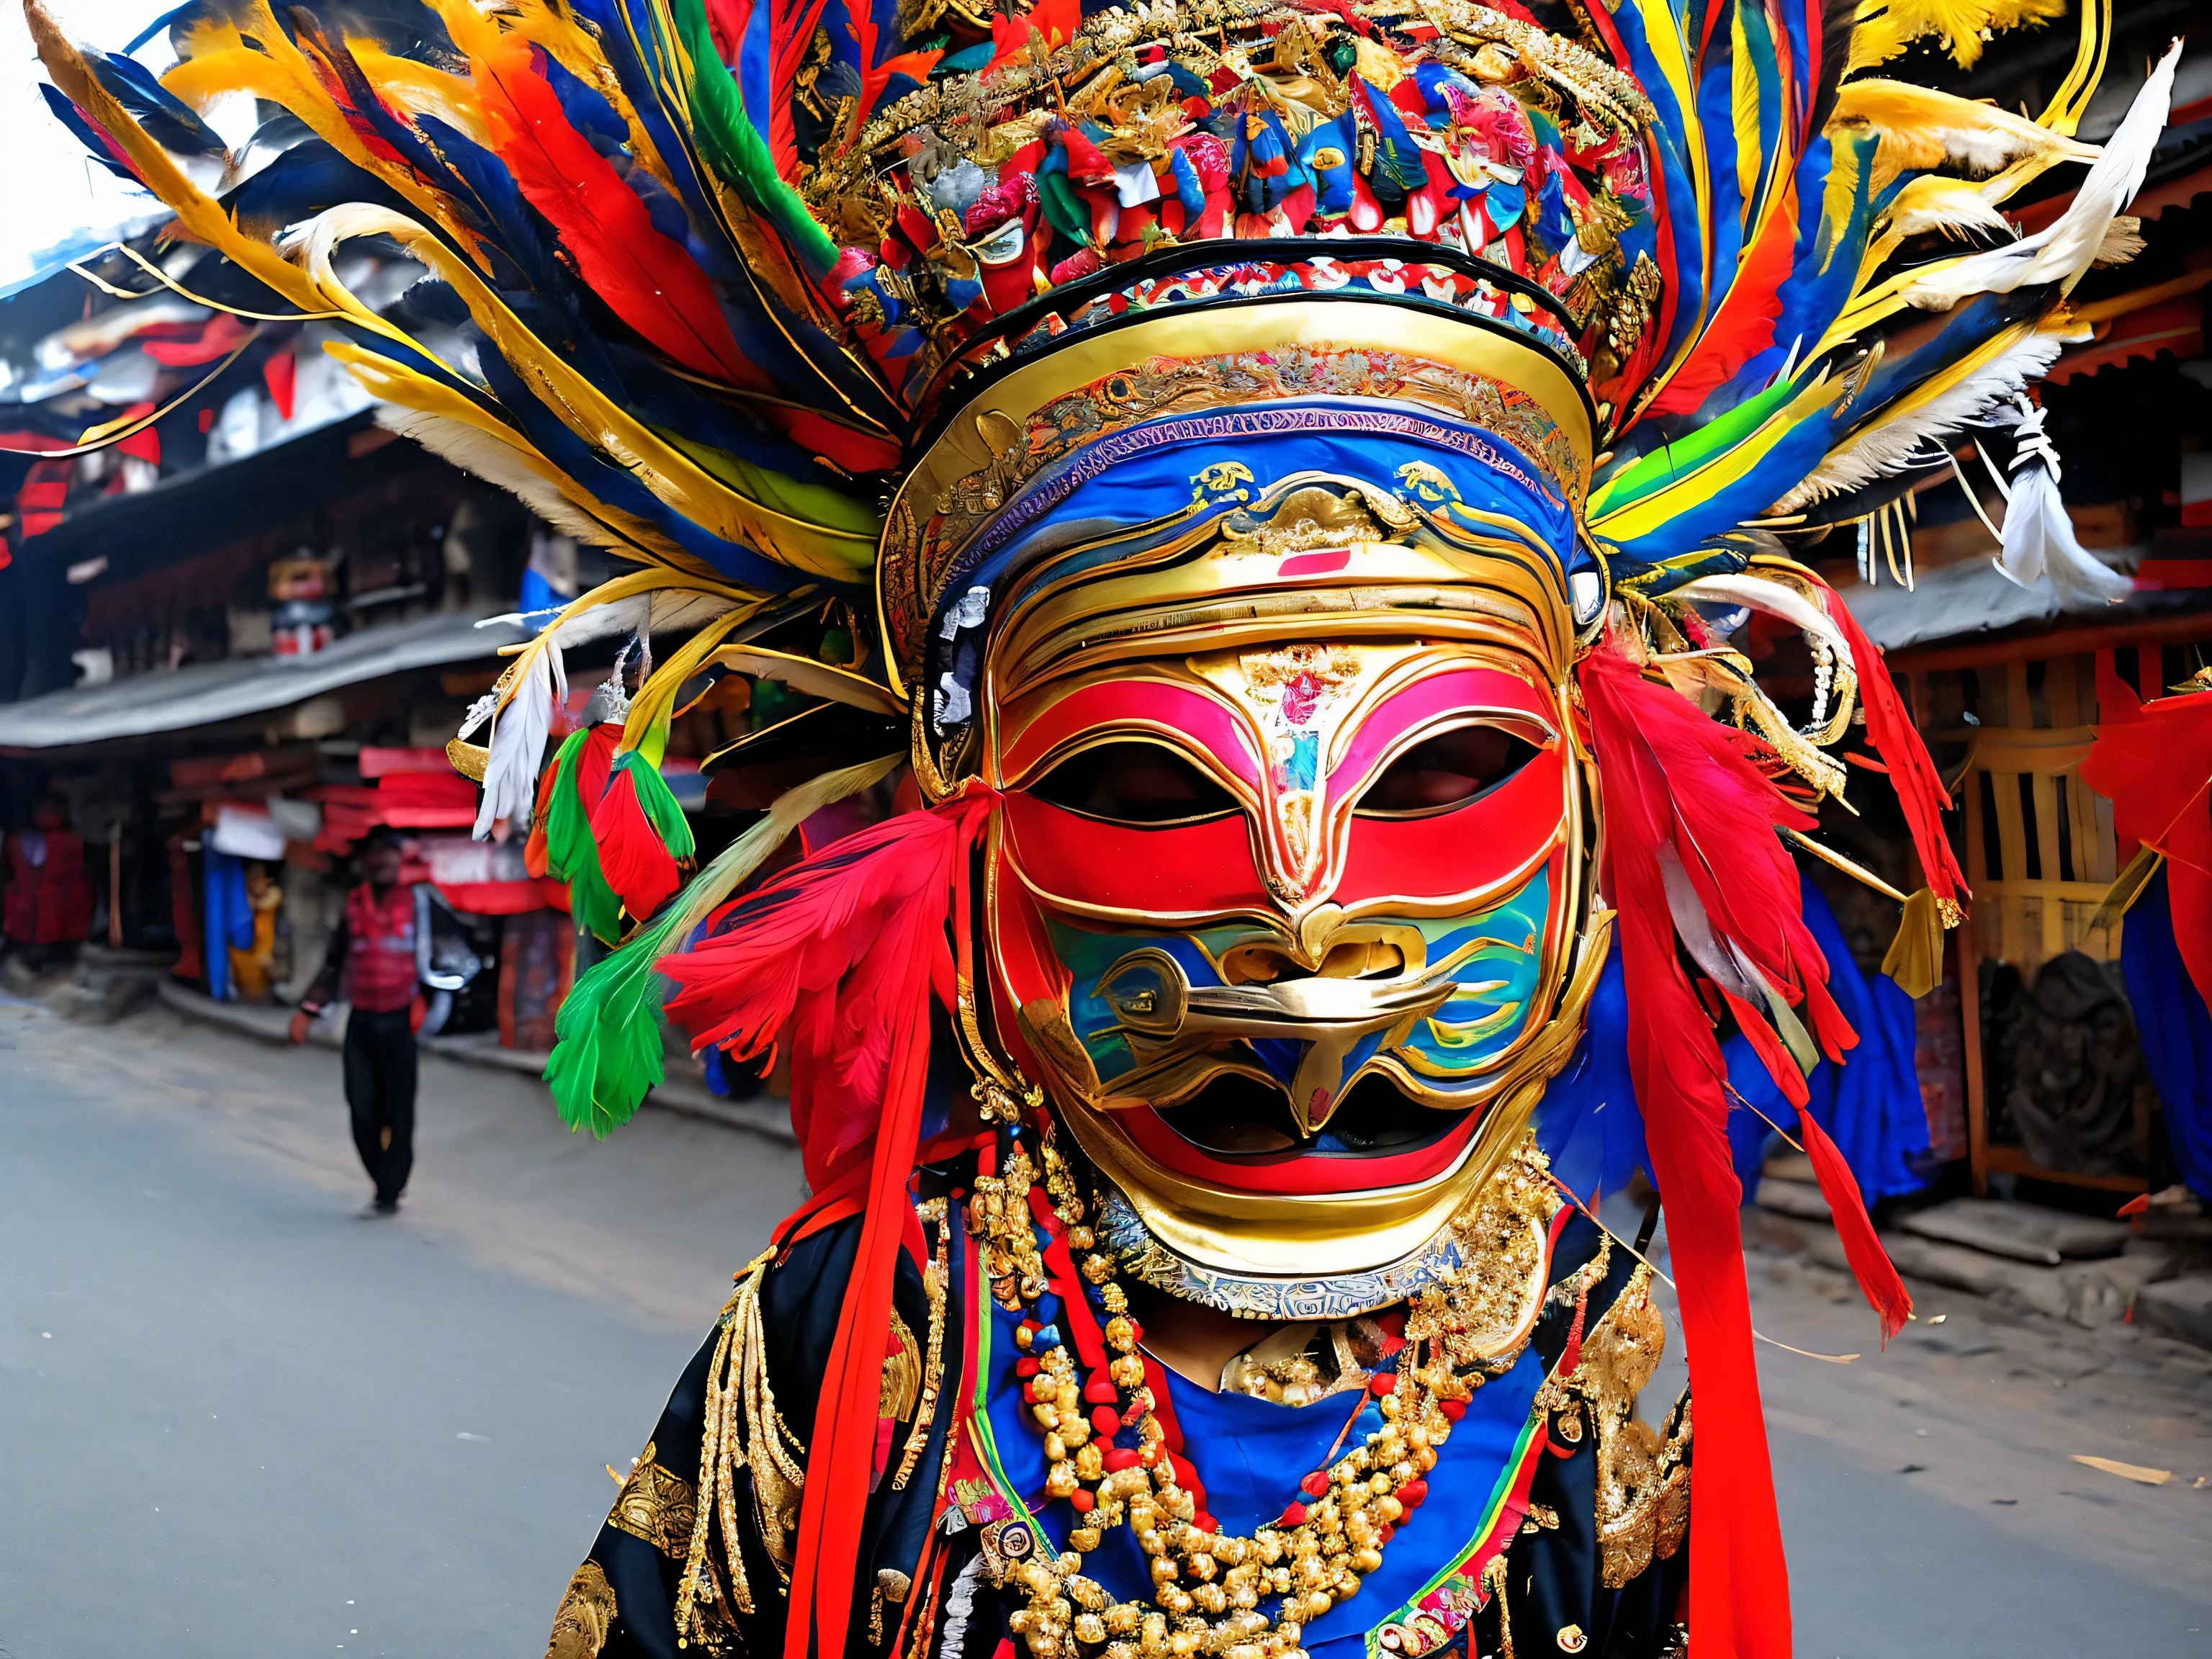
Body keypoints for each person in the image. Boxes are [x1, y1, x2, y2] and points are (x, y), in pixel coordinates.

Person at [28, 6, 2159, 1657]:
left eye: (1441, 773)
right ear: (962, 806)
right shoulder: (854, 1349)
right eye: (1151, 784)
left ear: (1594, 802)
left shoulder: (1579, 1362)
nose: (1317, 950)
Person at [297, 828, 419, 1217]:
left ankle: (389, 1190)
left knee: (399, 1114)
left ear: (400, 861)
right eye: (375, 854)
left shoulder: (419, 903)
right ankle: (383, 1180)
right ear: (364, 862)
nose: (381, 861)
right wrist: (307, 1012)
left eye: (389, 854)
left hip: (401, 1025)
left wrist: (431, 1003)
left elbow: (449, 961)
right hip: (363, 1025)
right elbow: (334, 965)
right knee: (362, 1110)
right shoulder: (353, 906)